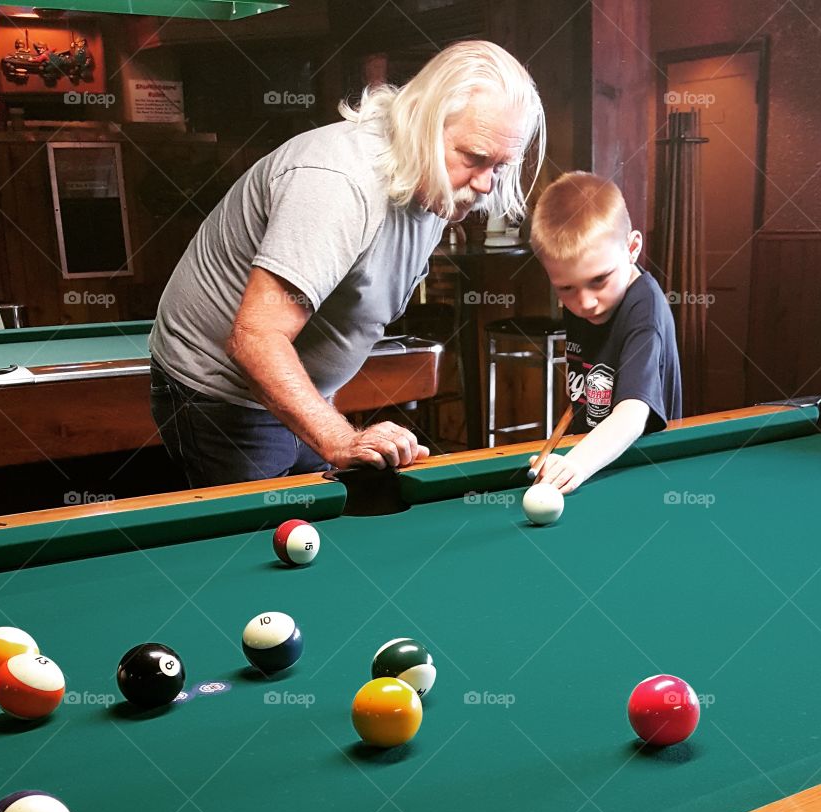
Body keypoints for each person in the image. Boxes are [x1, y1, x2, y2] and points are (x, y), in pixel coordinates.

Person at [149, 40, 545, 487]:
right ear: (423, 124)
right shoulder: (337, 184)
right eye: (474, 158)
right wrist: (340, 438)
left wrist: (332, 424)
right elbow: (256, 338)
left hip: (298, 390)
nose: (486, 183)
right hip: (221, 395)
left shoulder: (436, 187)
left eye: (500, 165)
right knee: (259, 544)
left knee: (322, 529)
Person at [528, 171, 682, 493]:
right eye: (565, 288)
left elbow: (632, 413)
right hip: (596, 465)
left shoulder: (645, 309)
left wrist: (577, 463)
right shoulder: (584, 301)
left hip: (641, 470)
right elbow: (585, 389)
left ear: (632, 247)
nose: (585, 302)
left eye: (599, 280)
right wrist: (569, 458)